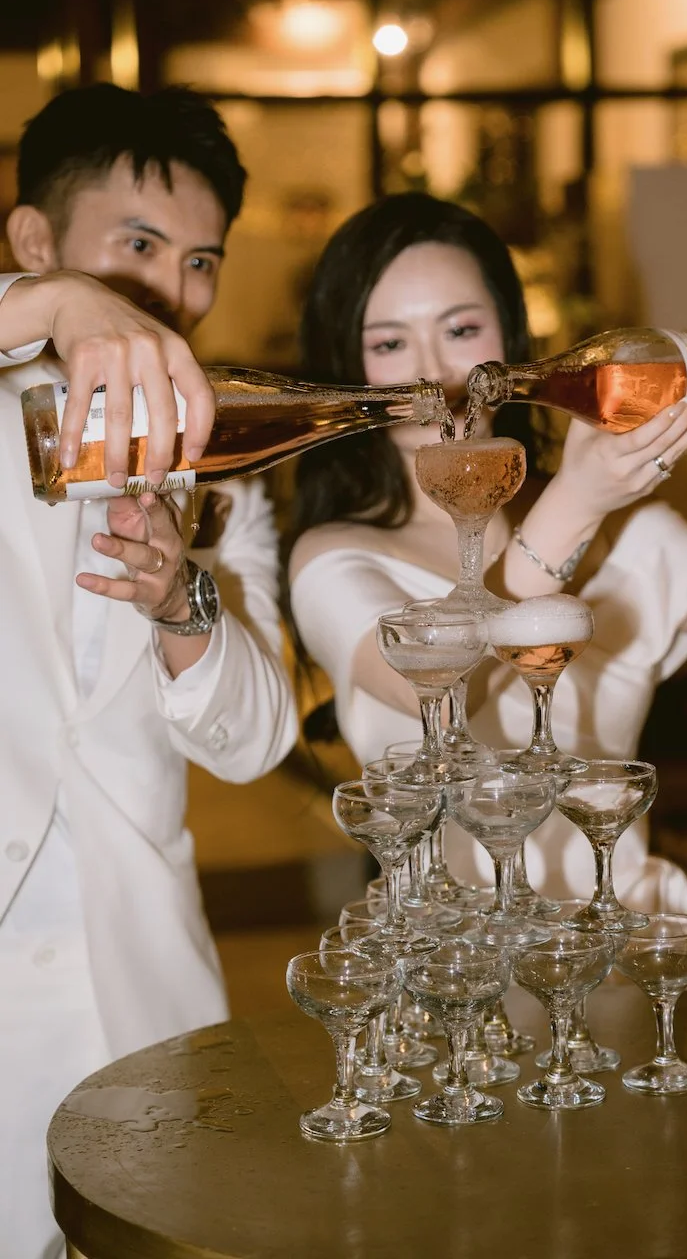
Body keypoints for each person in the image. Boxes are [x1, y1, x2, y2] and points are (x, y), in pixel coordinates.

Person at [287, 191, 687, 985]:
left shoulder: (608, 513)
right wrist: (575, 507)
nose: (436, 371)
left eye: (462, 330)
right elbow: (436, 686)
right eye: (389, 342)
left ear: (510, 341)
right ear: (348, 369)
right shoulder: (337, 556)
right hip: (451, 962)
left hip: (628, 942)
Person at [0, 84, 297, 1258]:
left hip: (141, 994)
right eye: (136, 246)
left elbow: (257, 737)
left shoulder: (224, 469)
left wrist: (182, 598)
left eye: (200, 260)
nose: (172, 291)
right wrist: (44, 307)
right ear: (35, 239)